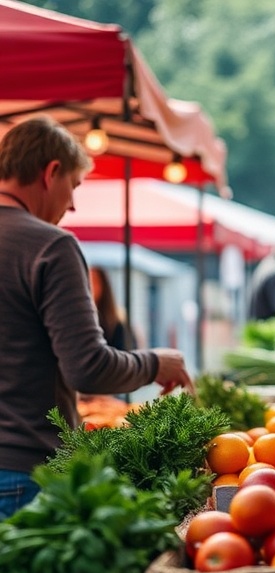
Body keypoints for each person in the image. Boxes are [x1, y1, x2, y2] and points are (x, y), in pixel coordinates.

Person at [0, 116, 193, 520]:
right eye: (73, 186)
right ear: (51, 172)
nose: (71, 205)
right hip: (22, 470)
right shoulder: (50, 246)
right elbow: (89, 368)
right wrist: (158, 362)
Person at [88, 265, 131, 350]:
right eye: (88, 282)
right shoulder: (82, 319)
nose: (90, 287)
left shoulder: (116, 323)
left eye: (94, 282)